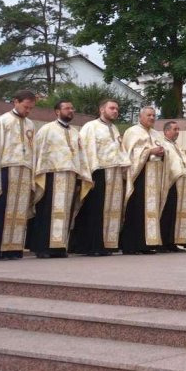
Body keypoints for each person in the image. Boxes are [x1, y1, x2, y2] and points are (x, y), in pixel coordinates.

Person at [27, 100, 92, 258]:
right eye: (67, 108)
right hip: (51, 176)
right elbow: (39, 153)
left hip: (70, 177)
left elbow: (81, 156)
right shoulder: (47, 129)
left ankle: (59, 247)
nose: (71, 110)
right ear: (57, 111)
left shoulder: (75, 133)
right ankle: (43, 248)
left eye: (72, 108)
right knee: (47, 213)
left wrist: (82, 175)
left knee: (65, 213)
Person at [0, 89, 37, 260]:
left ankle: (13, 248)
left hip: (24, 172)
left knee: (19, 212)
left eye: (31, 108)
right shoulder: (3, 121)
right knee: (2, 211)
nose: (28, 111)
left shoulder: (30, 125)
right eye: (26, 107)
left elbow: (32, 150)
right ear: (15, 102)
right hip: (6, 170)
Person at [71, 98, 130, 256]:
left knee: (112, 209)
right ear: (102, 109)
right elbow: (85, 150)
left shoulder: (115, 128)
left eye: (117, 109)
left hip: (115, 173)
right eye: (112, 108)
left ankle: (108, 243)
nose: (115, 111)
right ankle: (92, 245)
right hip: (98, 172)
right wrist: (90, 173)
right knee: (96, 210)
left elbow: (120, 149)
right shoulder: (91, 127)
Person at [120, 107, 166, 255]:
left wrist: (163, 153)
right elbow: (129, 153)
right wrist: (149, 152)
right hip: (139, 176)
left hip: (154, 177)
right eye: (149, 115)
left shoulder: (156, 133)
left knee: (150, 211)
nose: (152, 118)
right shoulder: (132, 131)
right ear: (140, 117)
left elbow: (164, 152)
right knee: (136, 210)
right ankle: (131, 245)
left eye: (154, 115)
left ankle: (147, 244)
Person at [159, 120, 186, 251]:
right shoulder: (163, 144)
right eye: (175, 129)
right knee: (167, 212)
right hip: (170, 183)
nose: (177, 132)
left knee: (176, 214)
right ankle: (162, 242)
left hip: (181, 183)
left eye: (178, 129)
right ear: (166, 131)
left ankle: (172, 242)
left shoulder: (177, 146)